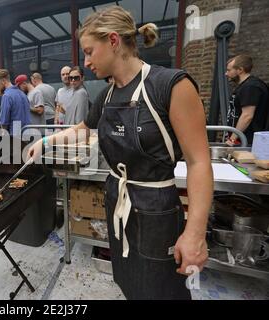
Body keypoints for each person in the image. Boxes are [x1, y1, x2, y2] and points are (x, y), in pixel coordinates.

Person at [27, 6, 212, 300]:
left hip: (155, 209)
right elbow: (83, 129)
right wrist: (45, 143)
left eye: (89, 51)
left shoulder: (171, 85)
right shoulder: (108, 94)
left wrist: (195, 233)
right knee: (129, 283)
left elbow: (199, 161)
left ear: (113, 41)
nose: (85, 63)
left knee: (161, 290)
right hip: (117, 201)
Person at [225, 54, 269, 145]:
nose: (226, 73)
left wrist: (233, 139)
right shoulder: (244, 86)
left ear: (240, 70)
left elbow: (247, 115)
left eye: (229, 70)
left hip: (249, 142)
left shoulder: (251, 87)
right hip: (241, 140)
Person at [0, 69, 31, 137]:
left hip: (15, 136)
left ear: (4, 81)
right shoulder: (23, 94)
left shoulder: (7, 96)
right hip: (28, 134)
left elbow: (4, 122)